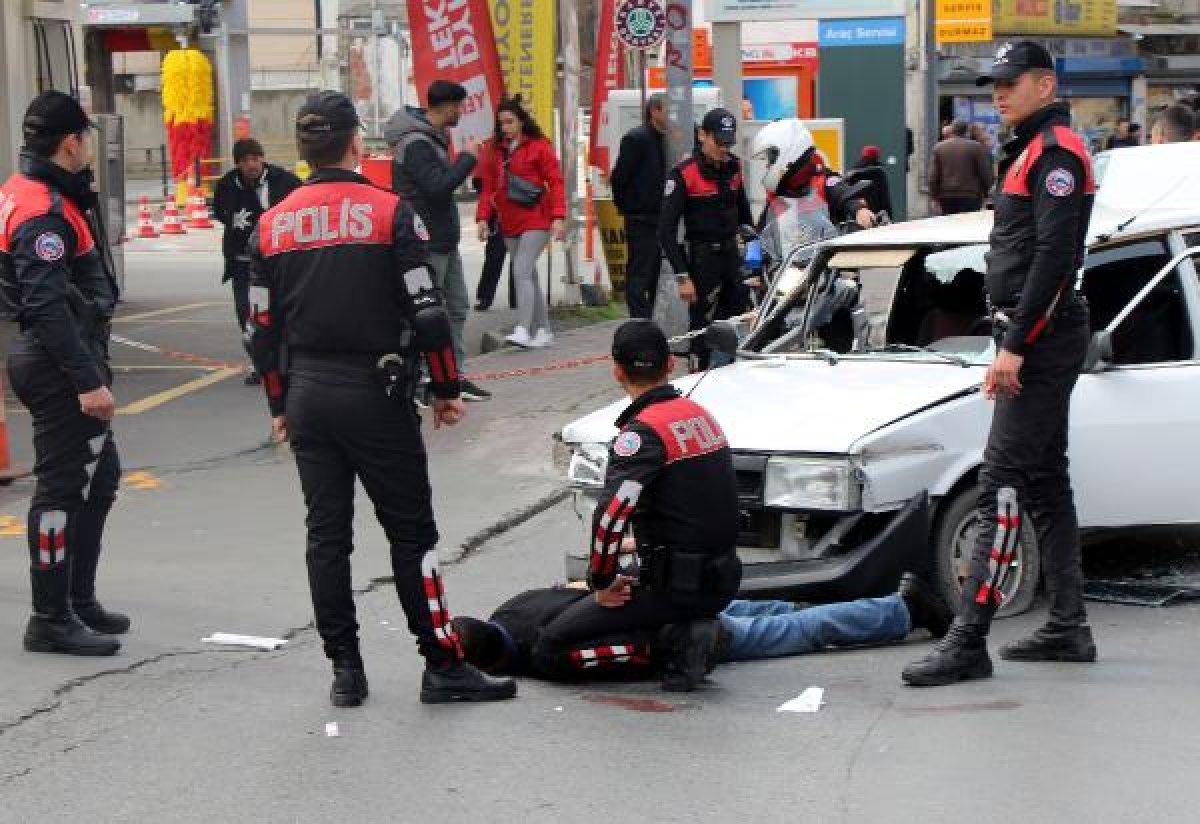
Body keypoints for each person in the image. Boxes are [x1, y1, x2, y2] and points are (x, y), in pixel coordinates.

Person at [247, 91, 516, 706]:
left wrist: (277, 404)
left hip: (308, 393)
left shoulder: (271, 224)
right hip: (377, 390)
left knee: (326, 536)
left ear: (302, 149)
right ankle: (442, 664)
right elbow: (428, 315)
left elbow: (259, 330)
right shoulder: (390, 213)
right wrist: (447, 388)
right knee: (411, 533)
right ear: (354, 145)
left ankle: (345, 671)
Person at [903, 42, 1098, 687]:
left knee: (1002, 483)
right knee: (1043, 480)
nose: (999, 94)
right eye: (995, 84)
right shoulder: (1027, 150)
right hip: (1032, 332)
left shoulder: (1058, 154)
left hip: (1041, 337)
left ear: (1046, 84)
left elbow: (1056, 260)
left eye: (1011, 83)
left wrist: (1015, 348)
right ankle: (1069, 626)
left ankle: (968, 639)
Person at [526, 320, 743, 691]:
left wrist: (603, 582)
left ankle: (675, 645)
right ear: (670, 365)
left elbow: (610, 517)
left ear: (616, 370)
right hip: (718, 576)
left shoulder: (642, 435)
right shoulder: (698, 415)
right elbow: (697, 503)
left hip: (676, 588)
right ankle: (688, 631)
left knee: (550, 649)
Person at [0, 91, 126, 655]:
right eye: (86, 141)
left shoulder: (25, 190)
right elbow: (46, 304)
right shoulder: (43, 210)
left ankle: (77, 598)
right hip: (57, 361)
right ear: (71, 142)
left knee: (99, 478)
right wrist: (86, 382)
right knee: (59, 489)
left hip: (56, 353)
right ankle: (49, 617)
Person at [452, 571, 952, 679]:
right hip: (669, 595)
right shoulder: (512, 601)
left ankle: (902, 610)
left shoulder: (544, 655)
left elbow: (624, 654)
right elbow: (581, 589)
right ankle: (889, 604)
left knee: (803, 632)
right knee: (782, 613)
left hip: (674, 629)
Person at [385, 80, 491, 402]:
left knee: (457, 307)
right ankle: (424, 379)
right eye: (458, 107)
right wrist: (468, 160)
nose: (461, 113)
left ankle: (454, 376)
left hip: (443, 238)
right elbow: (436, 187)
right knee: (429, 312)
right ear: (444, 106)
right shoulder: (416, 142)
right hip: (425, 240)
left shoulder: (434, 138)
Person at [660, 108, 758, 353]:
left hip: (731, 257)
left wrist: (755, 261)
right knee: (703, 329)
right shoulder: (683, 174)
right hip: (702, 260)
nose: (724, 149)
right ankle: (700, 370)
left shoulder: (733, 168)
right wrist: (682, 276)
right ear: (702, 135)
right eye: (719, 142)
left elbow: (746, 219)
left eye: (728, 143)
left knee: (738, 323)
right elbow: (666, 231)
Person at [475, 96, 566, 349]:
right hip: (508, 218)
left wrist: (558, 217)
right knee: (529, 275)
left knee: (522, 271)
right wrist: (482, 218)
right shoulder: (495, 149)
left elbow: (556, 181)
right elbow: (488, 187)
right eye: (501, 122)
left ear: (522, 121)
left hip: (537, 216)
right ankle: (543, 330)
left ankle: (524, 328)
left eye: (510, 121)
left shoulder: (539, 146)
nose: (505, 127)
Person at [212, 138, 301, 385]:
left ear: (263, 159)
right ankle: (259, 363)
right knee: (247, 313)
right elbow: (221, 212)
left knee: (280, 310)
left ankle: (288, 361)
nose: (251, 165)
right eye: (245, 161)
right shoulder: (228, 185)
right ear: (237, 163)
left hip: (276, 260)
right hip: (243, 263)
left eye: (255, 159)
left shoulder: (284, 181)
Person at [750, 118, 877, 233]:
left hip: (823, 256)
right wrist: (753, 240)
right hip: (786, 258)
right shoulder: (777, 193)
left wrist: (860, 210)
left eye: (771, 160)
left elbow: (843, 194)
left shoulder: (823, 180)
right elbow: (763, 229)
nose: (768, 166)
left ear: (788, 150)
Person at [610, 93, 668, 319]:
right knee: (640, 270)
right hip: (642, 217)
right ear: (654, 111)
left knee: (656, 271)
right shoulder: (637, 139)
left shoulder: (670, 138)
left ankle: (652, 319)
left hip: (663, 217)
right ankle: (639, 319)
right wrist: (628, 207)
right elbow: (619, 177)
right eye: (667, 110)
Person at [471, 139, 513, 312]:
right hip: (499, 211)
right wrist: (482, 217)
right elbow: (485, 187)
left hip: (525, 211)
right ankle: (485, 297)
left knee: (521, 260)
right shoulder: (491, 147)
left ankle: (518, 298)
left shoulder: (533, 144)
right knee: (494, 255)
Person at [929, 120, 994, 215]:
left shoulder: (939, 148)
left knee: (949, 225)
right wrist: (988, 193)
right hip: (971, 195)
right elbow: (984, 172)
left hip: (946, 196)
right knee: (968, 225)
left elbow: (933, 175)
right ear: (966, 130)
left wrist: (934, 196)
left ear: (952, 130)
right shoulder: (976, 147)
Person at [848, 145, 894, 218]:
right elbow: (884, 197)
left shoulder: (853, 174)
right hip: (877, 215)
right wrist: (889, 216)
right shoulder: (878, 173)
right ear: (877, 157)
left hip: (859, 215)